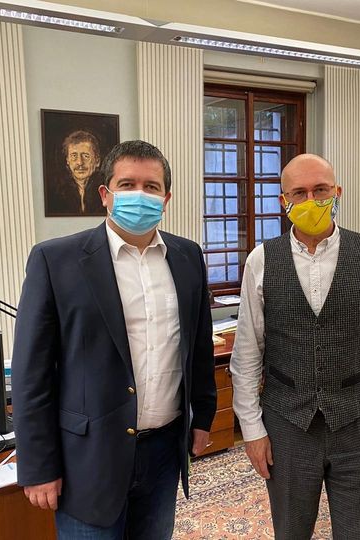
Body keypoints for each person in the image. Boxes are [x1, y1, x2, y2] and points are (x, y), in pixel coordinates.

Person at [12, 140, 217, 539]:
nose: (139, 194)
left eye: (151, 186)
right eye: (127, 184)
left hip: (163, 451)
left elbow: (198, 346)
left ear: (166, 198)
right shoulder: (55, 260)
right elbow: (31, 373)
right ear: (105, 194)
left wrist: (203, 417)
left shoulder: (188, 256)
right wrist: (37, 466)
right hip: (88, 458)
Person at [230, 154, 360, 539]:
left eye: (320, 190)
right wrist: (251, 429)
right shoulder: (260, 261)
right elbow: (247, 355)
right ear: (284, 201)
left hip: (359, 423)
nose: (311, 200)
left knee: (359, 533)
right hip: (286, 424)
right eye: (299, 193)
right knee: (290, 532)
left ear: (337, 193)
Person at [49, 130, 105, 215]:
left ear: (97, 161)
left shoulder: (108, 191)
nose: (80, 162)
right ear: (67, 160)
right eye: (74, 156)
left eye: (86, 156)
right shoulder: (56, 193)